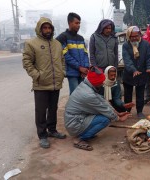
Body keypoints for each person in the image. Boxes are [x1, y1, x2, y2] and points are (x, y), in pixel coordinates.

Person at [23, 17, 66, 149]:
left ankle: (52, 130)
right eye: (44, 28)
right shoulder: (32, 43)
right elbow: (27, 61)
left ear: (52, 29)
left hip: (55, 83)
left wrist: (62, 72)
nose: (47, 30)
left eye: (49, 28)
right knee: (41, 111)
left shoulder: (57, 44)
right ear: (40, 29)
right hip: (41, 84)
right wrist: (37, 75)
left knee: (53, 108)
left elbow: (62, 60)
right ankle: (42, 135)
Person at [64, 66, 131, 151]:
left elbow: (103, 101)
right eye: (101, 82)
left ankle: (87, 132)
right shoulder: (88, 94)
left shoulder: (87, 85)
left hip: (76, 119)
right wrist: (118, 118)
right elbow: (104, 109)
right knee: (105, 119)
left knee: (105, 114)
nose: (103, 83)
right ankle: (80, 139)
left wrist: (117, 112)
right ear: (96, 82)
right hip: (74, 123)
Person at [122, 26, 150, 118]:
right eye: (132, 37)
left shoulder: (146, 44)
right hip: (129, 74)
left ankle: (139, 111)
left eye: (136, 36)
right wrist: (133, 70)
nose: (134, 38)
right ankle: (127, 111)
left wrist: (149, 67)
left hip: (142, 73)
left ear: (140, 35)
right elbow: (127, 60)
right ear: (129, 36)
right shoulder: (126, 45)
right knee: (128, 94)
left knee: (140, 94)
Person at [56, 12, 89, 94]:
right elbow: (65, 56)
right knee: (75, 95)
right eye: (76, 23)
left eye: (79, 23)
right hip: (72, 72)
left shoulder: (81, 38)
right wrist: (79, 67)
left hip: (83, 72)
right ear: (70, 23)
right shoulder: (62, 37)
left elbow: (85, 54)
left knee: (82, 95)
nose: (78, 25)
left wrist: (85, 68)